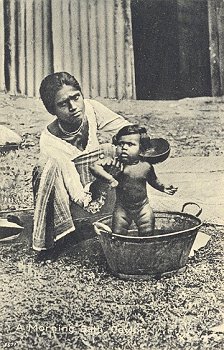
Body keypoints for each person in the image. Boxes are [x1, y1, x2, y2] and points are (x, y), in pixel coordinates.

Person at [32, 72, 131, 261]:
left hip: (99, 176)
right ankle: (65, 235)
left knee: (116, 149)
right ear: (52, 110)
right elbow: (75, 191)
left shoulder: (92, 110)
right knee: (45, 166)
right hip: (73, 196)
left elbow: (127, 129)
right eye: (63, 104)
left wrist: (131, 145)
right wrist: (97, 188)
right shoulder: (50, 141)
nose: (73, 107)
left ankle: (126, 210)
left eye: (76, 97)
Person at [90, 125, 178, 236]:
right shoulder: (115, 164)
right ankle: (121, 251)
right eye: (120, 144)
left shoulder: (146, 166)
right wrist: (110, 178)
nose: (124, 147)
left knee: (147, 232)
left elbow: (153, 181)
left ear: (141, 149)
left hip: (143, 207)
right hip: (122, 209)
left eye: (130, 144)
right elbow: (94, 166)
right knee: (118, 234)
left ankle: (145, 250)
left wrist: (163, 187)